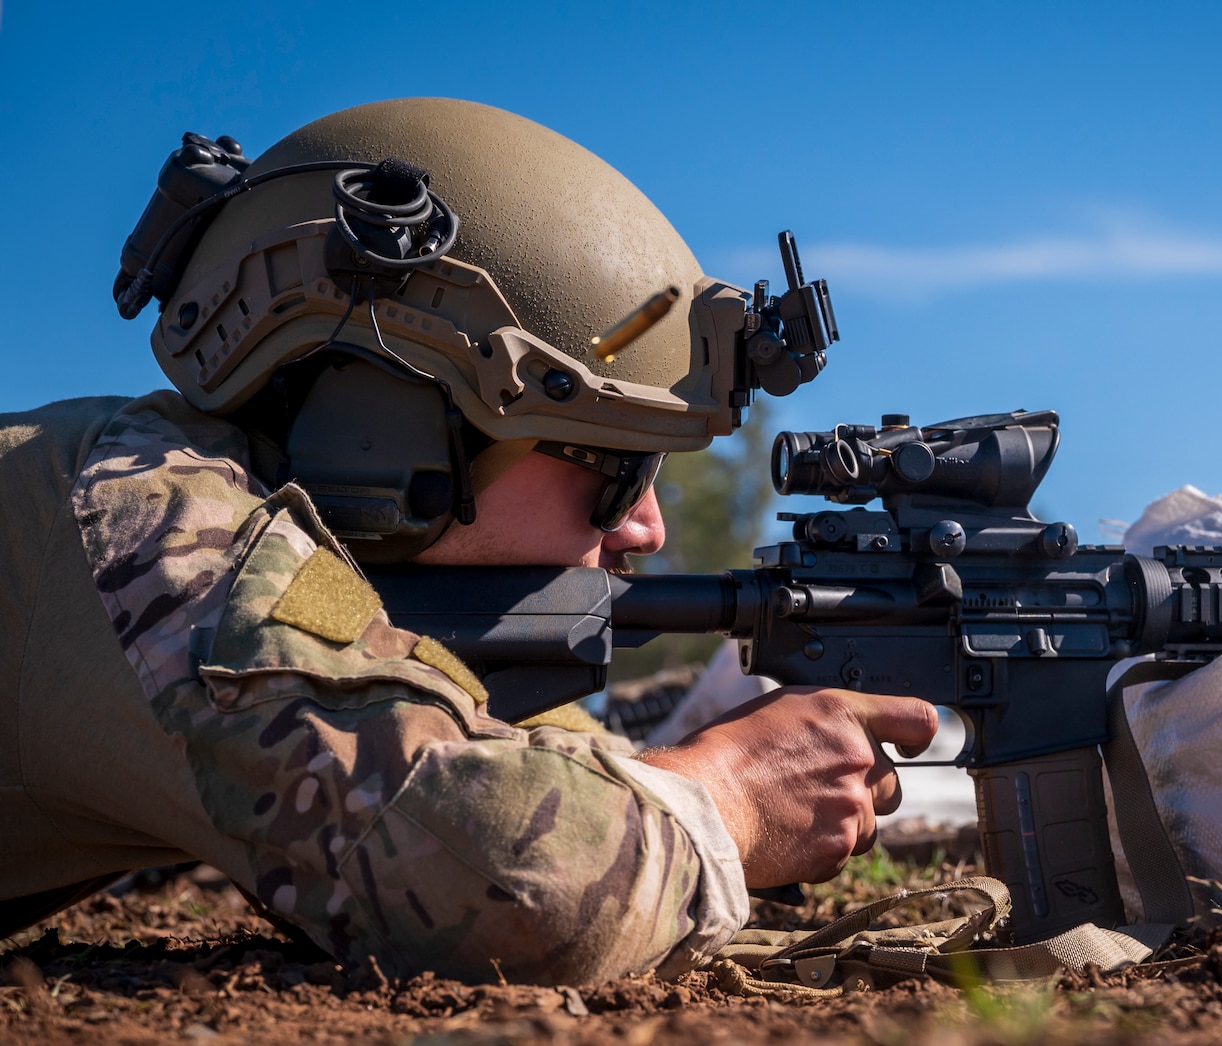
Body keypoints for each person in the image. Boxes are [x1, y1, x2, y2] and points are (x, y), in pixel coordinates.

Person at [0, 98, 935, 984]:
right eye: (616, 472)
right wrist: (727, 794)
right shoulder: (148, 520)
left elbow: (457, 746)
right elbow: (507, 884)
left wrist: (673, 764)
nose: (648, 528)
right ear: (386, 440)